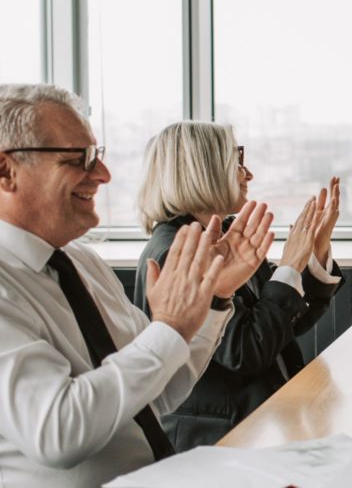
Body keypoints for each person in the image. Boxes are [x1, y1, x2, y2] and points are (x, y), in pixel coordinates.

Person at [0, 84, 274, 487]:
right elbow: (57, 434)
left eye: (99, 156)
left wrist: (215, 300)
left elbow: (158, 393)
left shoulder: (83, 263)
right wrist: (168, 330)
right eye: (81, 159)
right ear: (6, 172)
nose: (103, 175)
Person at [133, 121, 343, 451]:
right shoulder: (176, 250)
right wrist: (289, 266)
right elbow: (246, 351)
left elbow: (284, 323)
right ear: (203, 170)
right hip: (220, 441)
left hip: (264, 424)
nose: (248, 175)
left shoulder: (227, 232)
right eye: (237, 161)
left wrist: (310, 256)